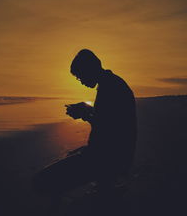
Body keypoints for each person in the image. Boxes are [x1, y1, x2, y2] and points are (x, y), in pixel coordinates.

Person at [33, 49, 137, 196]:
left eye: (79, 76)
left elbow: (108, 128)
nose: (80, 81)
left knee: (41, 180)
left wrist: (85, 114)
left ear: (89, 69)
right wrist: (88, 110)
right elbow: (110, 120)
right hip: (114, 154)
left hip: (109, 159)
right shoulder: (112, 83)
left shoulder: (110, 87)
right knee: (67, 158)